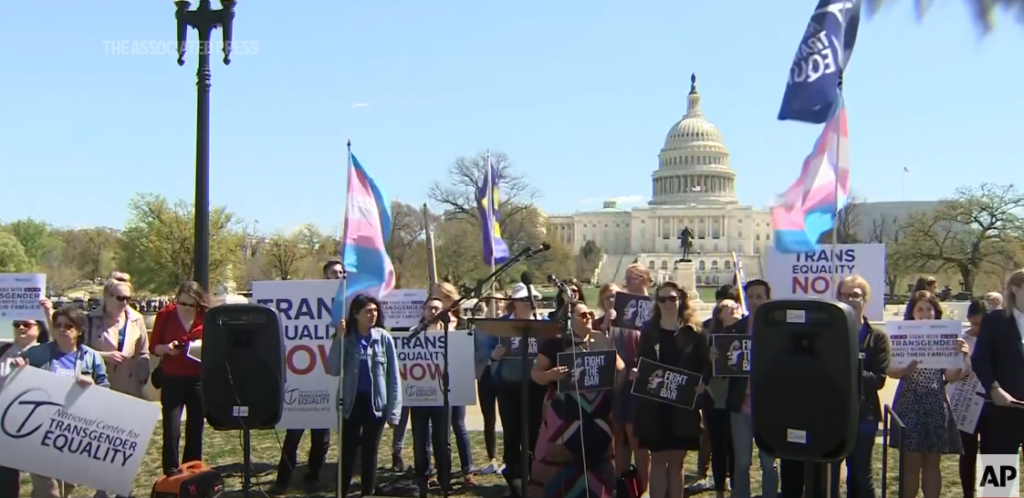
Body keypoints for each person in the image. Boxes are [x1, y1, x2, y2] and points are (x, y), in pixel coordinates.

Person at [530, 301, 625, 498]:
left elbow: (620, 367)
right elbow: (536, 373)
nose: (589, 317)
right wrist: (550, 375)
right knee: (564, 467)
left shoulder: (602, 340)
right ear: (569, 319)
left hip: (599, 417)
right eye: (583, 315)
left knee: (599, 467)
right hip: (566, 418)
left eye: (590, 313)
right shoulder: (555, 343)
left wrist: (620, 380)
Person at [13, 305, 109, 498]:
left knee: (68, 486)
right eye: (58, 325)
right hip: (40, 429)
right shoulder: (37, 354)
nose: (62, 329)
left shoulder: (91, 358)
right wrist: (18, 369)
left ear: (79, 330)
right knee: (49, 489)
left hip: (73, 431)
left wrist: (92, 386)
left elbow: (105, 390)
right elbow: (17, 379)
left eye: (69, 326)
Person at [890, 290, 971, 498]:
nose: (925, 314)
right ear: (912, 313)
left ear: (936, 312)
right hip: (909, 402)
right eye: (920, 309)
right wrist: (911, 364)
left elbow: (952, 376)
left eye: (929, 309)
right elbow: (892, 372)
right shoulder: (901, 334)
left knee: (933, 463)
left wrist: (961, 355)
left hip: (936, 402)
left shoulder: (947, 336)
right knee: (911, 463)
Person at [632, 282, 708, 498]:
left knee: (676, 463)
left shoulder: (694, 331)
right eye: (662, 299)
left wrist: (703, 382)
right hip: (655, 406)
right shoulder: (649, 330)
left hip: (682, 406)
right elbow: (643, 361)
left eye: (672, 298)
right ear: (657, 302)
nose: (667, 303)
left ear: (681, 299)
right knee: (657, 460)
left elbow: (705, 364)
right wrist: (637, 372)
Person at [271, 260, 342, 493]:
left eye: (342, 272)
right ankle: (282, 481)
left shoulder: (347, 302)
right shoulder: (308, 295)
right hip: (300, 381)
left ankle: (313, 476)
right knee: (293, 437)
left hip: (326, 381)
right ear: (325, 276)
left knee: (322, 440)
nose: (338, 276)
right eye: (334, 272)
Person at [327, 293, 402, 497]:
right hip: (350, 405)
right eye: (368, 311)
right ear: (355, 314)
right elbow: (332, 369)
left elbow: (393, 377)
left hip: (375, 405)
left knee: (370, 454)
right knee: (348, 453)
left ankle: (367, 493)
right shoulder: (346, 338)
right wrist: (339, 338)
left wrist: (394, 411)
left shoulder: (383, 338)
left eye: (375, 310)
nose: (373, 314)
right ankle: (341, 493)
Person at [828, 275, 892, 498]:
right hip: (831, 417)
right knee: (829, 477)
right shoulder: (828, 334)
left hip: (864, 416)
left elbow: (879, 379)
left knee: (861, 476)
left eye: (855, 295)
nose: (849, 300)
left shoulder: (877, 339)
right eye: (844, 295)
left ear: (865, 299)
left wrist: (850, 365)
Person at [483, 281, 547, 496]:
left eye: (534, 299)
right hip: (508, 386)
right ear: (515, 303)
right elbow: (486, 353)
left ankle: (534, 476)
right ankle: (514, 478)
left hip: (536, 386)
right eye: (526, 300)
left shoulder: (543, 322)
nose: (531, 303)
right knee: (512, 432)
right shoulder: (500, 325)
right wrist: (494, 355)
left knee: (535, 430)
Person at [723, 279, 777, 498]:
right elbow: (726, 368)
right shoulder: (735, 328)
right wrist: (717, 358)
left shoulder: (777, 330)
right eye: (751, 296)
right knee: (742, 461)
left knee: (769, 461)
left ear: (767, 299)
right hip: (740, 406)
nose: (754, 301)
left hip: (768, 406)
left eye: (759, 297)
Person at [150, 281, 208, 474]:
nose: (186, 308)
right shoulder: (166, 314)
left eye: (191, 305)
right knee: (172, 430)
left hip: (197, 379)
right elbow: (154, 347)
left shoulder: (205, 317)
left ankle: (192, 470)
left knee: (195, 429)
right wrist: (167, 348)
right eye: (182, 303)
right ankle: (171, 471)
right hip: (172, 378)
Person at [0, 300, 51, 498]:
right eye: (17, 324)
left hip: (35, 423)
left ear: (38, 329)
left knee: (44, 482)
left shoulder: (46, 352)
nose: (21, 327)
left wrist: (48, 312)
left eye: (27, 324)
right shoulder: (3, 350)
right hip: (5, 423)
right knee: (5, 480)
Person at [973, 269, 1024, 455]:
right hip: (1003, 409)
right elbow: (979, 360)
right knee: (998, 480)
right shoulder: (995, 320)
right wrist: (994, 389)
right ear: (1015, 289)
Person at [409, 297, 454, 497]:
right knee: (420, 439)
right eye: (430, 308)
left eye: (437, 308)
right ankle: (422, 477)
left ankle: (445, 478)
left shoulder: (451, 335)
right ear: (424, 310)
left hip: (443, 396)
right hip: (419, 396)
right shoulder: (413, 333)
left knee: (442, 440)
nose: (433, 311)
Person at [432, 282, 476, 483]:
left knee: (458, 424)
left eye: (442, 297)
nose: (439, 301)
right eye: (435, 296)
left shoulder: (462, 323)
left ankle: (468, 468)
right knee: (439, 428)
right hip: (435, 378)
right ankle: (440, 470)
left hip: (458, 377)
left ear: (452, 299)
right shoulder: (429, 323)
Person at [86, 272, 150, 400]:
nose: (125, 302)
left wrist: (142, 380)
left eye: (128, 298)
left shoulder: (137, 319)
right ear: (106, 296)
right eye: (120, 298)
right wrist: (103, 356)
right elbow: (79, 352)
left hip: (129, 389)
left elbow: (143, 354)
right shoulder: (90, 320)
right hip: (97, 387)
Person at [705, 298, 742, 498]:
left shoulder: (746, 335)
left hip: (737, 398)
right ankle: (720, 489)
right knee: (719, 446)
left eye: (735, 305)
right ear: (718, 314)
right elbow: (701, 371)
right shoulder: (710, 338)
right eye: (727, 306)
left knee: (736, 447)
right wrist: (707, 358)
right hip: (715, 398)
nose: (733, 307)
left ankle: (737, 487)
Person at [953, 299, 989, 498]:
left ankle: (996, 492)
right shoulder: (961, 341)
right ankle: (968, 493)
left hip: (992, 405)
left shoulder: (997, 339)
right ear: (968, 320)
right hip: (966, 403)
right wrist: (965, 356)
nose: (978, 328)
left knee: (994, 452)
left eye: (982, 324)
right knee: (967, 453)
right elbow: (953, 375)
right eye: (975, 323)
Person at [473, 292, 504, 474]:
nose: (498, 304)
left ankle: (508, 459)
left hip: (504, 375)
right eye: (494, 301)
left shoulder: (508, 325)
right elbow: (473, 353)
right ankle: (491, 458)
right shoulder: (479, 327)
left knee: (507, 417)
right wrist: (488, 357)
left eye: (500, 301)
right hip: (485, 374)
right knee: (489, 418)